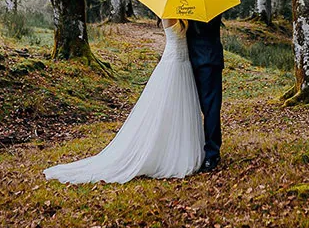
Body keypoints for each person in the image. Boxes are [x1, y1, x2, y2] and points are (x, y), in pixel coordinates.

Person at [43, 19, 203, 184]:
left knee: (180, 108)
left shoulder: (181, 12)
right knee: (167, 106)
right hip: (173, 63)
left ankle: (177, 148)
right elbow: (176, 33)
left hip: (185, 63)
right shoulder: (168, 13)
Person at [186, 16, 223, 172]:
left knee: (210, 108)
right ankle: (210, 153)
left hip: (199, 60)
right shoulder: (211, 3)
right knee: (210, 107)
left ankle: (211, 152)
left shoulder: (183, 5)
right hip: (194, 60)